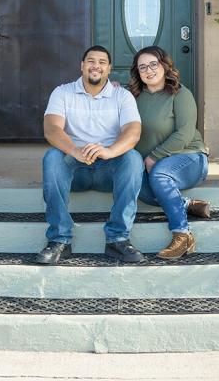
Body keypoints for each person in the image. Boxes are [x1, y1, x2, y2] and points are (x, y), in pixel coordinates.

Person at [36, 45, 146, 265]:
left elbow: (133, 132)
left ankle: (118, 239)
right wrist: (76, 151)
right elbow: (52, 129)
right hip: (75, 168)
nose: (96, 66)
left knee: (133, 158)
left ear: (109, 69)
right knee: (52, 157)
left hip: (109, 169)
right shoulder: (62, 92)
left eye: (102, 62)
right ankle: (59, 240)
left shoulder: (122, 96)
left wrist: (109, 151)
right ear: (82, 66)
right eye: (91, 61)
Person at [129, 46, 211, 259]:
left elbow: (185, 133)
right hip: (153, 165)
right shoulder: (133, 98)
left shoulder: (180, 93)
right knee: (135, 184)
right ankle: (185, 204)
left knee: (160, 175)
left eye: (153, 64)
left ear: (164, 65)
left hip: (190, 158)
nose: (149, 70)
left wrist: (154, 157)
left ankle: (182, 235)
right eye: (142, 67)